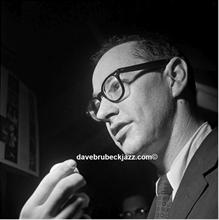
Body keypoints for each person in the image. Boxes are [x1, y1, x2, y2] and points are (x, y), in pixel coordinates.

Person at [19, 33, 218, 219]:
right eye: (97, 104)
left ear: (174, 76)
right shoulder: (161, 202)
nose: (102, 113)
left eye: (115, 86)